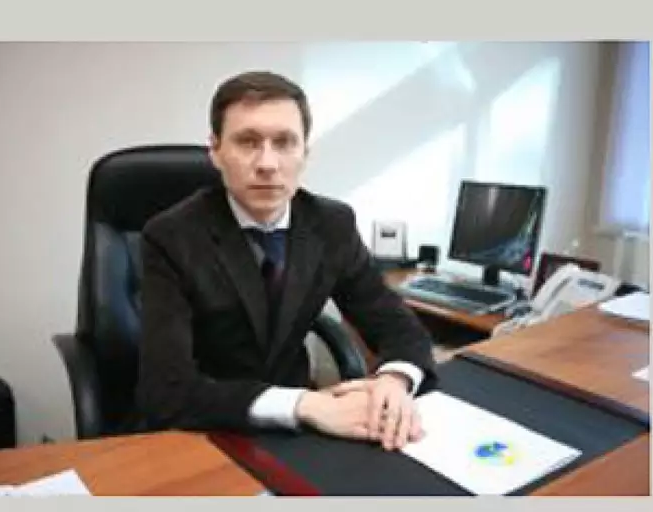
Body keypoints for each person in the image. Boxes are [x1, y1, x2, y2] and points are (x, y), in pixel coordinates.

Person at [133, 70, 437, 451]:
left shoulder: (332, 224)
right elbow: (166, 391)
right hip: (205, 429)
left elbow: (399, 327)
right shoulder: (170, 236)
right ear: (215, 151)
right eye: (247, 141)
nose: (267, 163)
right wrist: (305, 404)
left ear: (304, 152)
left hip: (299, 435)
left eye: (284, 142)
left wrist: (394, 380)